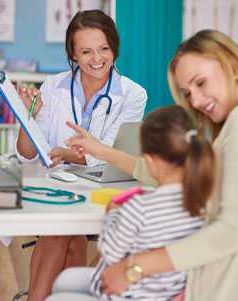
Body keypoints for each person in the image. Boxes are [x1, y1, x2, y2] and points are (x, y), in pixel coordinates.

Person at [56, 29, 238, 301]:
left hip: (209, 289)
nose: (196, 101)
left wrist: (134, 268)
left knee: (61, 295)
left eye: (201, 83)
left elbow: (230, 231)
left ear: (232, 65)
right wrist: (102, 151)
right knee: (67, 281)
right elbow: (162, 171)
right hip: (190, 281)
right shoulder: (224, 131)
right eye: (188, 93)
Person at [16, 10, 147, 301]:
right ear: (73, 55)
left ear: (114, 47)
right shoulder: (53, 86)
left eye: (104, 48)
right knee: (65, 234)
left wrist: (68, 152)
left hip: (103, 187)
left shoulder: (133, 94)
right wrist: (28, 117)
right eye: (85, 51)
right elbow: (28, 153)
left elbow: (112, 153)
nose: (96, 58)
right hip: (57, 187)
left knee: (62, 232)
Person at [45, 105, 215, 301]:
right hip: (166, 294)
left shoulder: (139, 207)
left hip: (127, 294)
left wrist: (113, 214)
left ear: (149, 161)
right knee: (66, 280)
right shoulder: (202, 205)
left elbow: (109, 252)